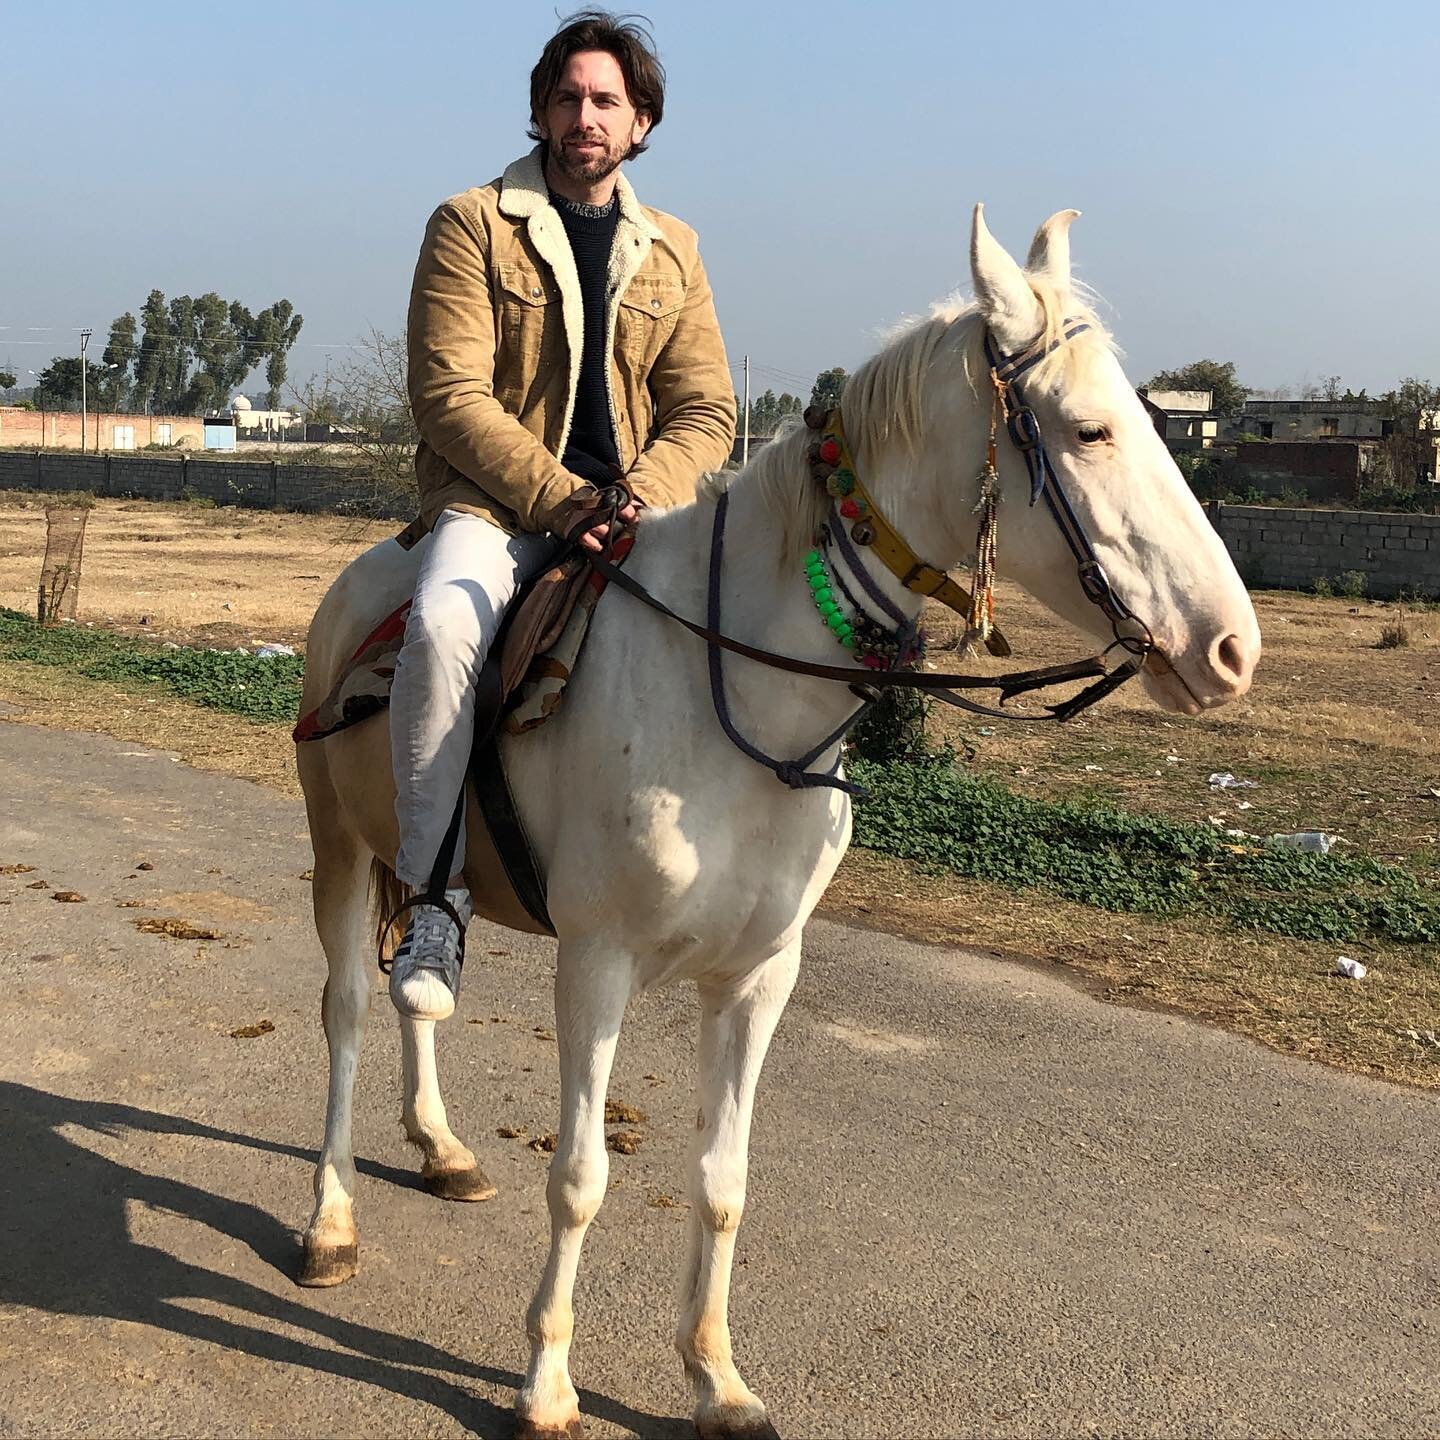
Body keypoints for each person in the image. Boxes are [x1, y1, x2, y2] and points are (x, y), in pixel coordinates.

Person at [387, 10, 735, 1022]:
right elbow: (450, 395)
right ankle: (435, 899)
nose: (586, 115)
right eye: (569, 97)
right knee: (445, 626)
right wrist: (566, 499)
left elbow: (706, 408)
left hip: (637, 513)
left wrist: (639, 495)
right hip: (501, 508)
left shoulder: (675, 250)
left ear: (642, 124)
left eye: (607, 101)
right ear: (542, 110)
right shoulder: (471, 223)